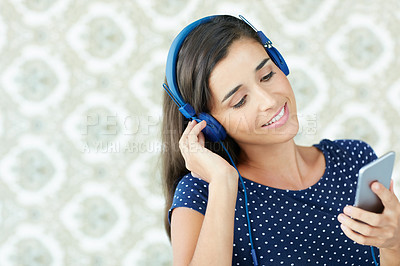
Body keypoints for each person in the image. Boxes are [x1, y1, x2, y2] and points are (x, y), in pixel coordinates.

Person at [161, 15, 400, 265]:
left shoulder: (353, 159)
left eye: (266, 76)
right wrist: (223, 182)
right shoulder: (201, 192)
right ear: (209, 125)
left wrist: (394, 243)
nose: (269, 101)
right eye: (240, 100)